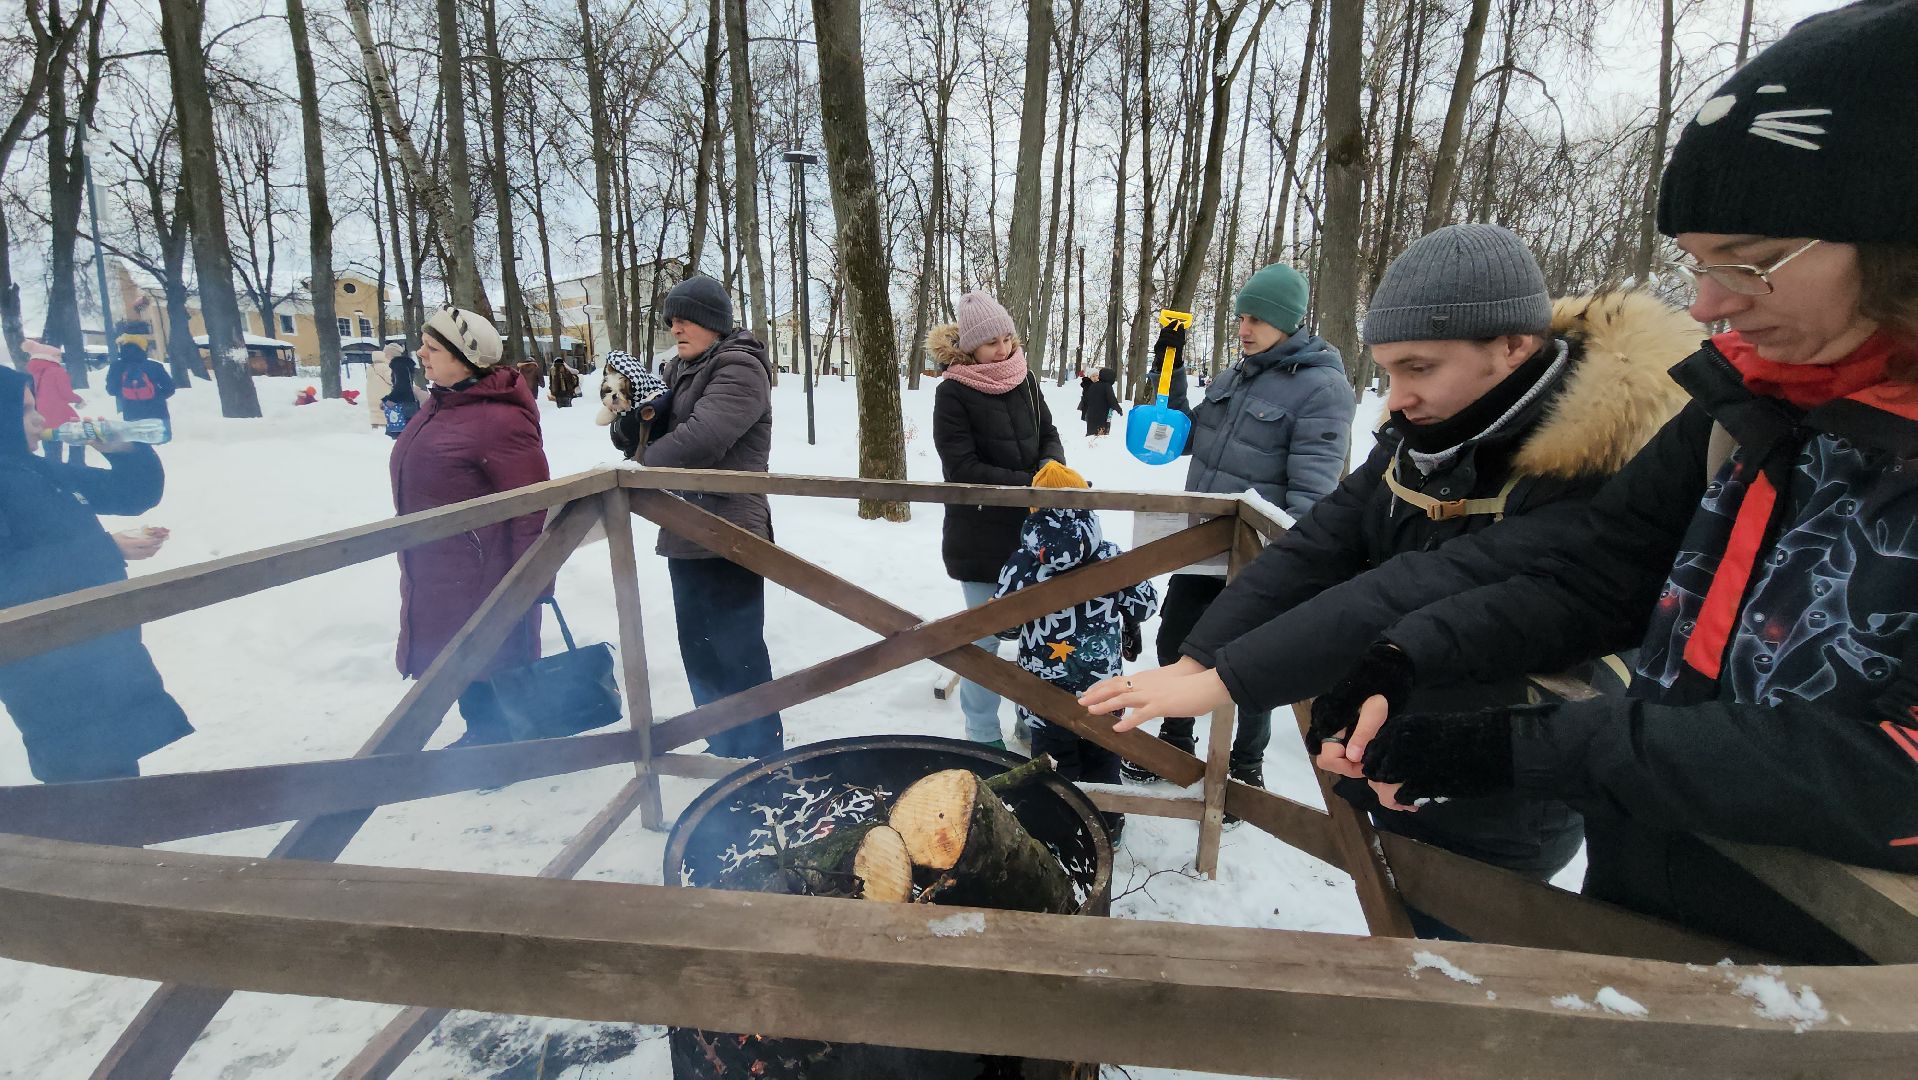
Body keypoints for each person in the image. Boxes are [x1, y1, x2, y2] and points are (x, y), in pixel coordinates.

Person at [1298, 0, 1918, 962]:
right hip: (1642, 930)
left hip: (1853, 999)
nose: (1708, 307)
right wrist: (1406, 656)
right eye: (1697, 266)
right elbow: (1591, 575)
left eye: (1747, 268)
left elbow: (1890, 772)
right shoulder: (1747, 409)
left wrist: (1526, 751)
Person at [1084, 225, 1696, 895]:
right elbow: (1324, 542)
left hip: (1501, 783)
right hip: (1390, 741)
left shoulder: (1601, 466)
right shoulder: (1430, 430)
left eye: (1418, 368)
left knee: (1457, 959)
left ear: (1513, 345)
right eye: (1389, 371)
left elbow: (1422, 583)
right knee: (1397, 922)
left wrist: (1226, 678)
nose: (1394, 395)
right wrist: (1202, 654)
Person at [1120, 263, 1352, 797]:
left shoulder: (1323, 390)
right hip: (1201, 544)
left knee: (1250, 665)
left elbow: (1312, 493)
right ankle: (1173, 745)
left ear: (1289, 322)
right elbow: (1182, 434)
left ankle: (1244, 769)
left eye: (1257, 319)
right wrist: (1169, 366)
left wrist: (1286, 565)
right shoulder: (1235, 375)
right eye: (1242, 317)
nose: (1244, 328)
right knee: (1178, 641)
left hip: (1260, 559)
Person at [0, 365, 189, 782]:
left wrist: (124, 450)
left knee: (114, 778)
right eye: (24, 409)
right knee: (86, 788)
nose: (40, 420)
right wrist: (105, 548)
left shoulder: (31, 468)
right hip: (45, 668)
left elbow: (132, 494)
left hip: (97, 651)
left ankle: (115, 845)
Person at [638, 275, 784, 760]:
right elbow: (660, 438)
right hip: (686, 527)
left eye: (686, 316)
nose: (675, 325)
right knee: (699, 651)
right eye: (671, 318)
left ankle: (760, 754)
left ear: (714, 322)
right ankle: (724, 745)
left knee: (737, 651)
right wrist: (633, 423)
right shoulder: (682, 370)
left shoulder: (739, 367)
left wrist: (642, 461)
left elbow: (704, 437)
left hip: (729, 532)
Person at [390, 307, 550, 747]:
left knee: (486, 654)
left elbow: (532, 505)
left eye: (433, 347)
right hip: (438, 564)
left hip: (482, 570)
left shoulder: (499, 419)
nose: (420, 353)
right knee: (457, 654)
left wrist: (532, 579)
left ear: (465, 358)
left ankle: (500, 742)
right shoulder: (444, 402)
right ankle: (486, 733)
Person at [929, 291, 1067, 747]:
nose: (1004, 349)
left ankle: (1033, 716)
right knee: (984, 643)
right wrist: (1028, 482)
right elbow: (961, 468)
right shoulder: (953, 391)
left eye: (1008, 338)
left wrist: (1051, 470)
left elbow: (1048, 431)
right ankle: (983, 734)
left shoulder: (1025, 378)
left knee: (1040, 636)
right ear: (970, 347)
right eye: (991, 343)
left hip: (1036, 535)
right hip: (981, 536)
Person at [995, 461, 1158, 836]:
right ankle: (1107, 825)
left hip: (1044, 694)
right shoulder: (1110, 555)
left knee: (1054, 765)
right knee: (1102, 759)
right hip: (1103, 691)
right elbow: (1146, 604)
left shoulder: (1023, 563)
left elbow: (1002, 624)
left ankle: (1057, 829)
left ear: (1034, 508)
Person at [23, 339, 83, 465]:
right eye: (58, 356)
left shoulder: (35, 372)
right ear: (49, 357)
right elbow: (66, 393)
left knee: (51, 446)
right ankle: (76, 465)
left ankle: (53, 469)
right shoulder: (57, 371)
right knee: (78, 436)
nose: (60, 359)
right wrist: (79, 399)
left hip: (42, 413)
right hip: (61, 413)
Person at [104, 330, 175, 433]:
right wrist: (157, 396)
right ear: (143, 348)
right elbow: (170, 388)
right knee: (162, 440)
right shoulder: (155, 366)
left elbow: (111, 390)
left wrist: (126, 394)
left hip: (132, 414)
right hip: (158, 413)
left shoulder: (116, 367)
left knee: (139, 444)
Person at [380, 343, 421, 439]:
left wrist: (389, 400)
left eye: (386, 353)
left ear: (391, 354)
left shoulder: (398, 365)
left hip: (404, 404)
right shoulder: (403, 364)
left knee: (405, 435)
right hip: (408, 402)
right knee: (410, 434)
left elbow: (401, 386)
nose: (385, 356)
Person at [1077, 366, 1121, 437]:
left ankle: (1092, 438)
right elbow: (1111, 398)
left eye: (1097, 375)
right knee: (1101, 428)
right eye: (1093, 376)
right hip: (1098, 411)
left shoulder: (1095, 385)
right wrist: (1118, 408)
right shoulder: (1105, 386)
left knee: (1093, 430)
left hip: (1092, 412)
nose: (1095, 378)